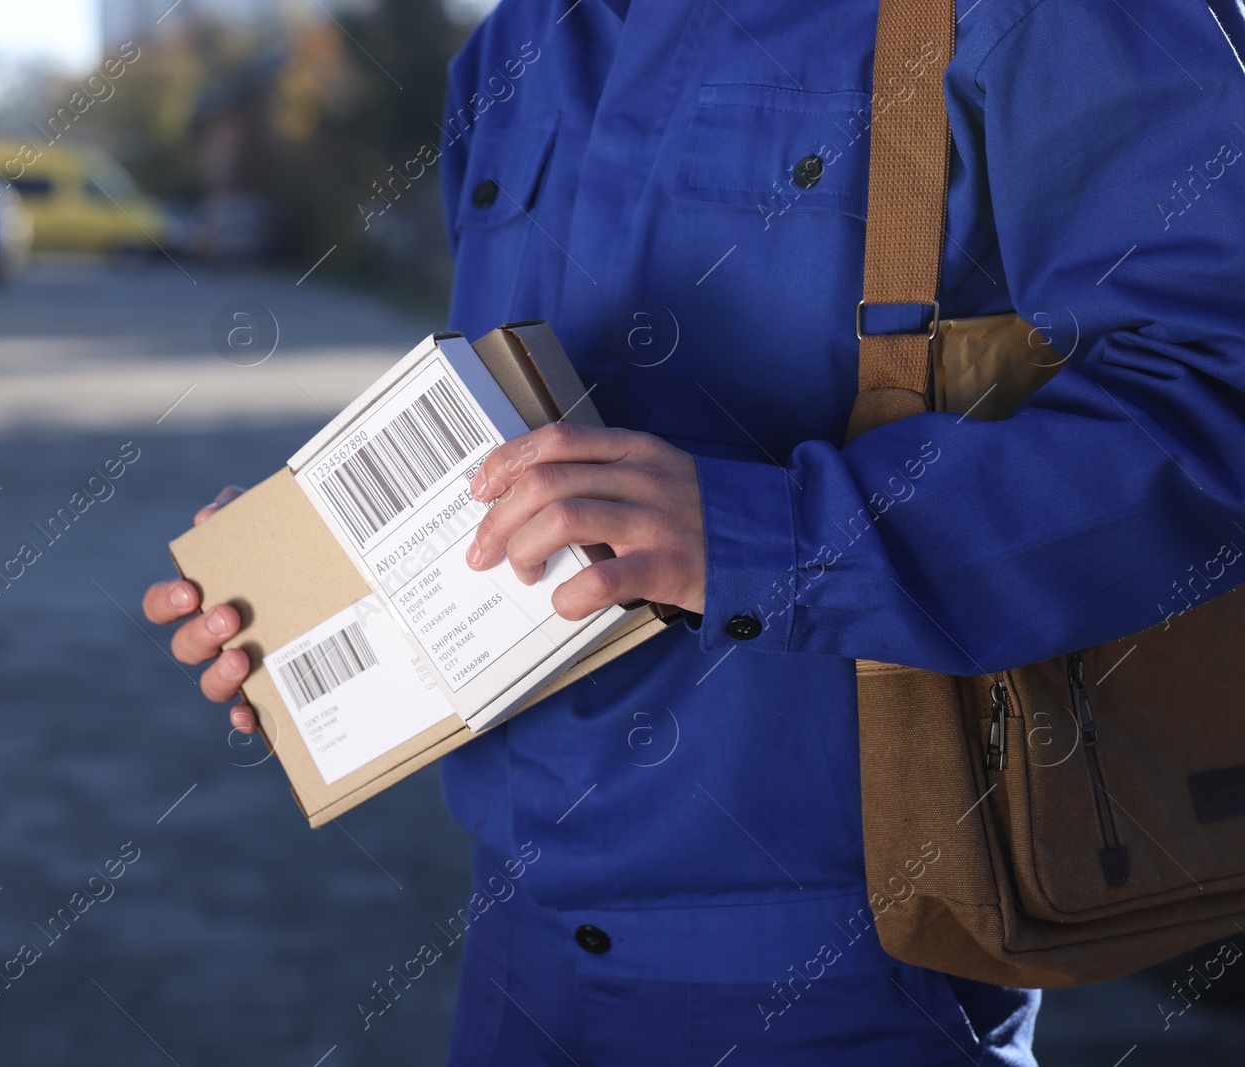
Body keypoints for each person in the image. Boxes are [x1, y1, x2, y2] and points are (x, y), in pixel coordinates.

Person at [146, 0, 1245, 1062]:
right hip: (516, 941)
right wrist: (325, 593)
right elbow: (515, 430)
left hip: (851, 962)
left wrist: (765, 536)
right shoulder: (514, 44)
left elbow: (1214, 393)